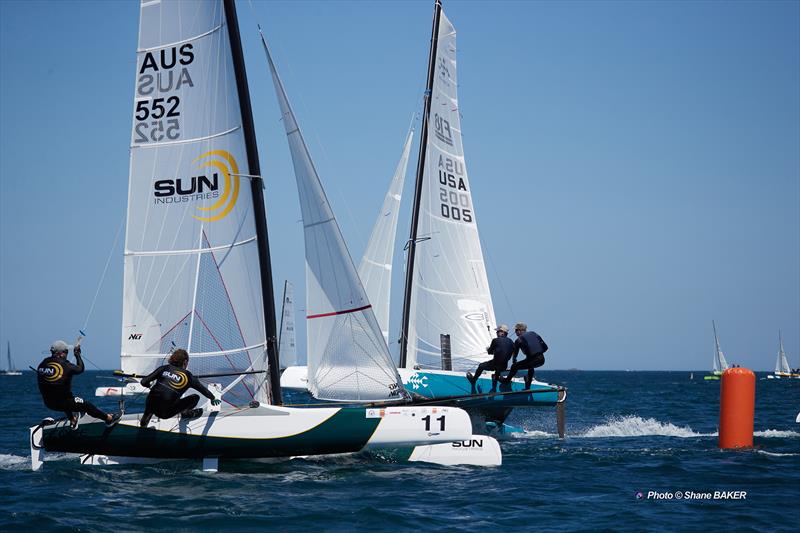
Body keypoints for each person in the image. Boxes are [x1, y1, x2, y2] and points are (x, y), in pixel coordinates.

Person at [37, 340, 120, 427]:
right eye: (66, 352)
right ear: (61, 354)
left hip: (49, 403)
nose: (67, 354)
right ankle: (109, 419)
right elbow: (80, 369)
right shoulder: (65, 365)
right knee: (86, 405)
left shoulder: (42, 364)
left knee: (63, 394)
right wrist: (77, 355)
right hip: (63, 403)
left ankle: (72, 420)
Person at [139, 348, 220, 428]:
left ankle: (143, 426)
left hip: (151, 405)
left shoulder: (164, 368)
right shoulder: (188, 376)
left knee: (152, 401)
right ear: (185, 362)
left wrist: (150, 386)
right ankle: (186, 413)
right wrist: (213, 398)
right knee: (195, 397)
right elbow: (204, 391)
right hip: (165, 413)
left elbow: (143, 382)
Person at [500, 323, 548, 389]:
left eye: (516, 330)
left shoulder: (518, 340)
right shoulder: (534, 333)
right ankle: (528, 385)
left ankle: (506, 381)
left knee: (514, 366)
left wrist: (514, 361)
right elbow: (545, 348)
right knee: (530, 366)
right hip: (542, 360)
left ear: (519, 330)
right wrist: (537, 353)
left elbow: (514, 355)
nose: (515, 332)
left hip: (533, 361)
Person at [466, 325, 514, 390]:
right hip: (504, 366)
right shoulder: (511, 342)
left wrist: (488, 349)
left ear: (502, 332)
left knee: (481, 366)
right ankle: (495, 388)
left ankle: (473, 380)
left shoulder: (495, 340)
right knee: (496, 373)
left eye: (497, 332)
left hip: (495, 363)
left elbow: (490, 352)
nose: (496, 333)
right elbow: (512, 352)